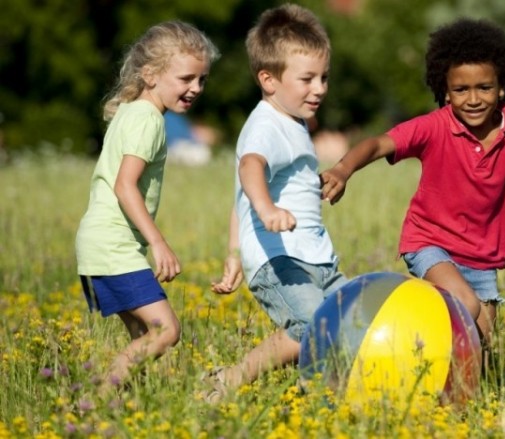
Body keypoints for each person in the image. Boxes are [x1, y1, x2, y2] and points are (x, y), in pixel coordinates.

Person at [321, 18, 505, 349]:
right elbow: (377, 144)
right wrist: (343, 170)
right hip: (429, 243)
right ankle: (407, 338)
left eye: (484, 88)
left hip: (483, 256)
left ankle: (461, 397)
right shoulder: (432, 127)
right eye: (461, 90)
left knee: (481, 344)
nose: (473, 99)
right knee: (465, 305)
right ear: (446, 92)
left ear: (501, 87)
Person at [205, 4, 347, 401]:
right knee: (315, 328)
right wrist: (268, 210)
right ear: (268, 79)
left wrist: (233, 253)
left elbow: (240, 197)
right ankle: (235, 379)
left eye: (323, 78)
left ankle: (329, 394)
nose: (319, 88)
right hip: (281, 261)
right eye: (307, 79)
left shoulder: (293, 122)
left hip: (316, 258)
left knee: (352, 317)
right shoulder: (266, 125)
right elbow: (250, 169)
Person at [75, 21, 219, 397]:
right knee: (166, 330)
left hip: (102, 242)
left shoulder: (132, 111)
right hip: (113, 245)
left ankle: (128, 409)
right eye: (186, 78)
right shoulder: (148, 120)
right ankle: (96, 402)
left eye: (202, 80)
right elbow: (125, 185)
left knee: (142, 337)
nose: (196, 89)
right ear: (150, 74)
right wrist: (158, 242)